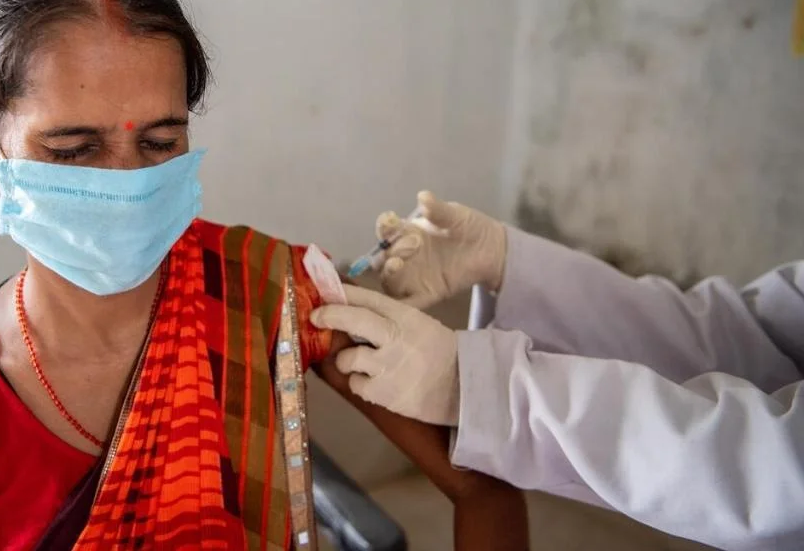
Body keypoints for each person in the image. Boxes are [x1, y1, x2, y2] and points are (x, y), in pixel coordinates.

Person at [0, 0, 528, 551]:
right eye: (74, 150)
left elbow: (482, 481)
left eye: (160, 144)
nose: (128, 184)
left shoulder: (266, 291)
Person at [311, 191, 804, 551]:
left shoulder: (266, 273)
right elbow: (741, 344)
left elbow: (781, 473)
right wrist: (509, 260)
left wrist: (482, 391)